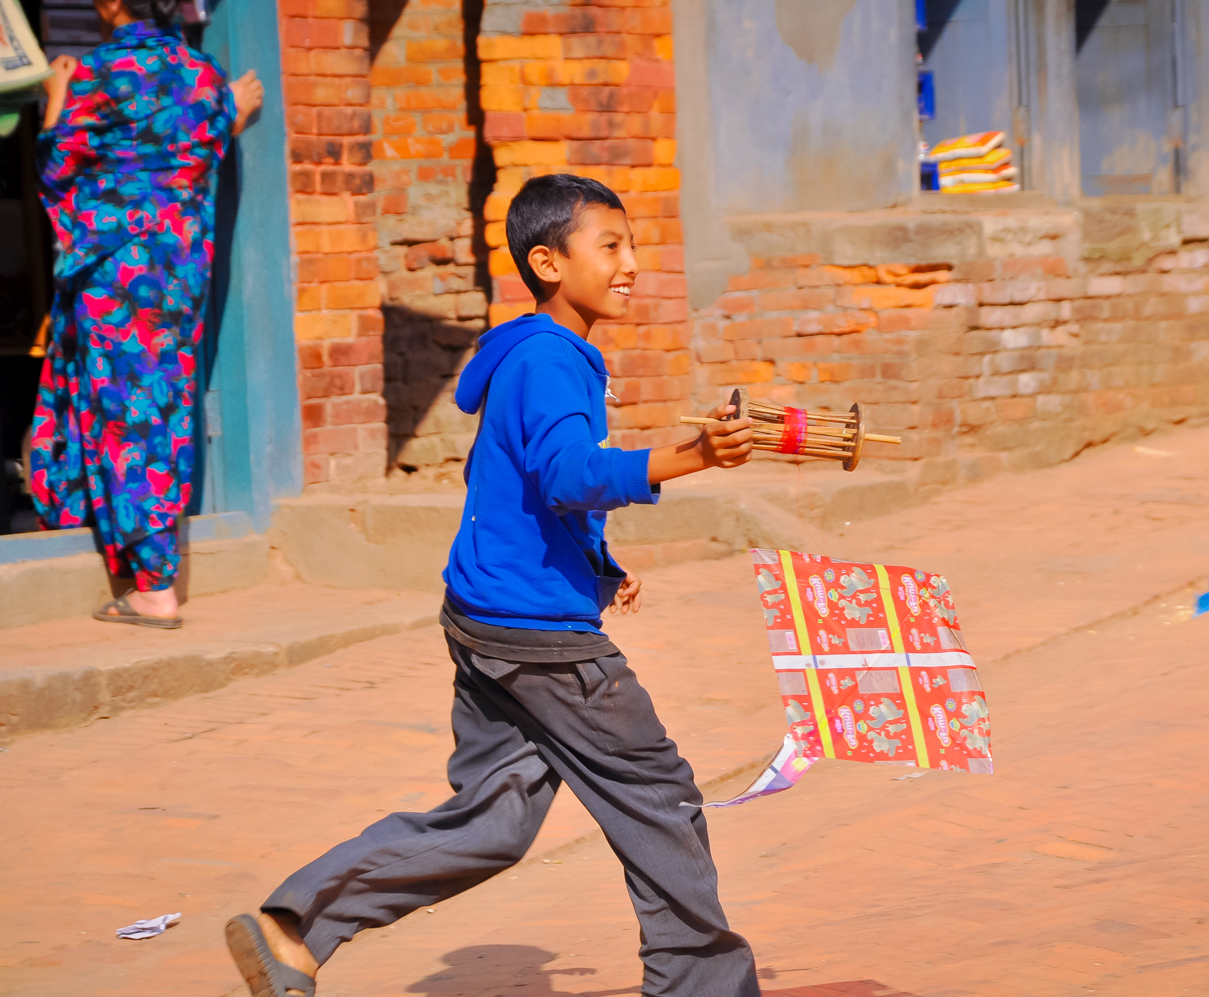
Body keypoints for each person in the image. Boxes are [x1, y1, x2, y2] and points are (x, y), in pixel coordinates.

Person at [223, 174, 763, 997]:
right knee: (657, 793)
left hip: (485, 612)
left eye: (630, 245)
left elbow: (503, 476)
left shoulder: (524, 350)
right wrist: (692, 455)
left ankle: (295, 927)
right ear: (549, 262)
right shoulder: (550, 360)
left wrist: (597, 563)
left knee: (494, 819)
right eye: (610, 246)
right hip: (538, 634)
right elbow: (567, 472)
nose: (631, 264)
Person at [27, 0, 263, 628]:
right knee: (155, 400)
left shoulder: (96, 73)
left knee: (122, 408)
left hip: (115, 266)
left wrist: (54, 94)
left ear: (110, 4)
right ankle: (123, 550)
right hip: (178, 266)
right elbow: (204, 137)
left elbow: (55, 168)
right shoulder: (202, 74)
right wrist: (232, 106)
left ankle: (153, 585)